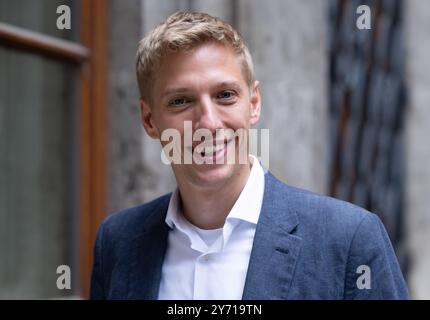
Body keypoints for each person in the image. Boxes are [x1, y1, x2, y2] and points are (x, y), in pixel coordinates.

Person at [90, 11, 408, 300]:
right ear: (149, 120)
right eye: (180, 101)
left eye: (225, 95)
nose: (209, 123)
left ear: (253, 103)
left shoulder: (349, 239)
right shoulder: (118, 242)